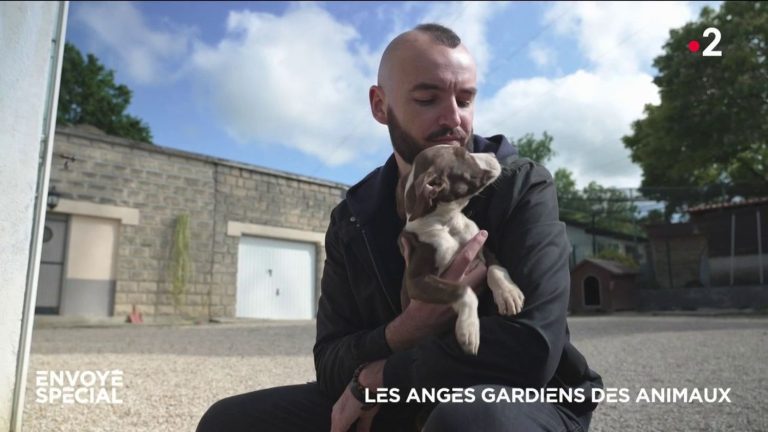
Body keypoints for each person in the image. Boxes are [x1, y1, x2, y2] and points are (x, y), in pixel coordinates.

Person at [197, 23, 602, 432]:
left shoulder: (520, 184)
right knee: (227, 422)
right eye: (428, 99)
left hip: (511, 402)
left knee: (468, 421)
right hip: (394, 403)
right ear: (379, 105)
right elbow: (330, 360)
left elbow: (532, 350)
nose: (454, 119)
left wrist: (381, 376)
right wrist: (405, 330)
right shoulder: (354, 216)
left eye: (465, 99)